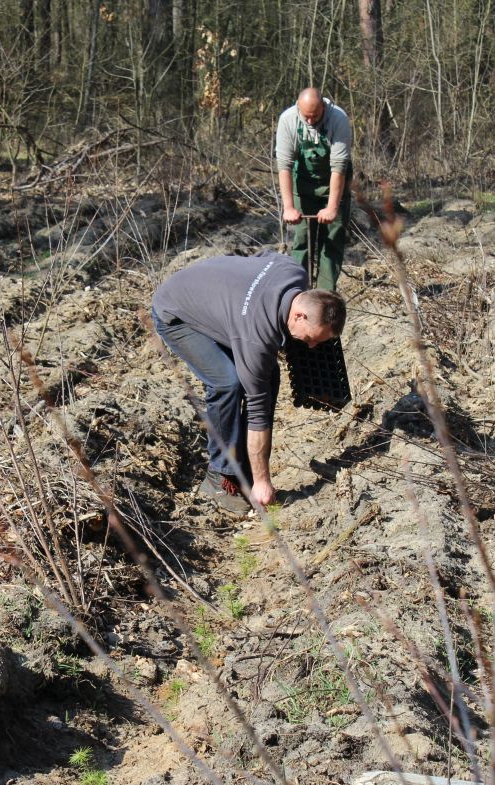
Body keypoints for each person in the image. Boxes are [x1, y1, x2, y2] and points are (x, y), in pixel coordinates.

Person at [151, 250, 347, 513]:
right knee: (227, 382)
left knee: (268, 374)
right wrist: (262, 481)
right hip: (176, 313)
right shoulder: (255, 336)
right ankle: (220, 477)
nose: (311, 346)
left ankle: (243, 464)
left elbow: (262, 255)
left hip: (213, 298)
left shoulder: (293, 271)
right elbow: (258, 412)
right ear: (299, 315)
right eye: (311, 338)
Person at [275, 86, 353, 291]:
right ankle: (297, 293)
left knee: (332, 241)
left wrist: (332, 208)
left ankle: (325, 295)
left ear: (324, 108)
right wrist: (288, 207)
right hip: (303, 182)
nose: (310, 121)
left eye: (315, 116)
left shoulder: (339, 119)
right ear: (298, 108)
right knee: (302, 239)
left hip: (334, 182)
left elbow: (339, 167)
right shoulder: (288, 120)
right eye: (306, 116)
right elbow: (284, 166)